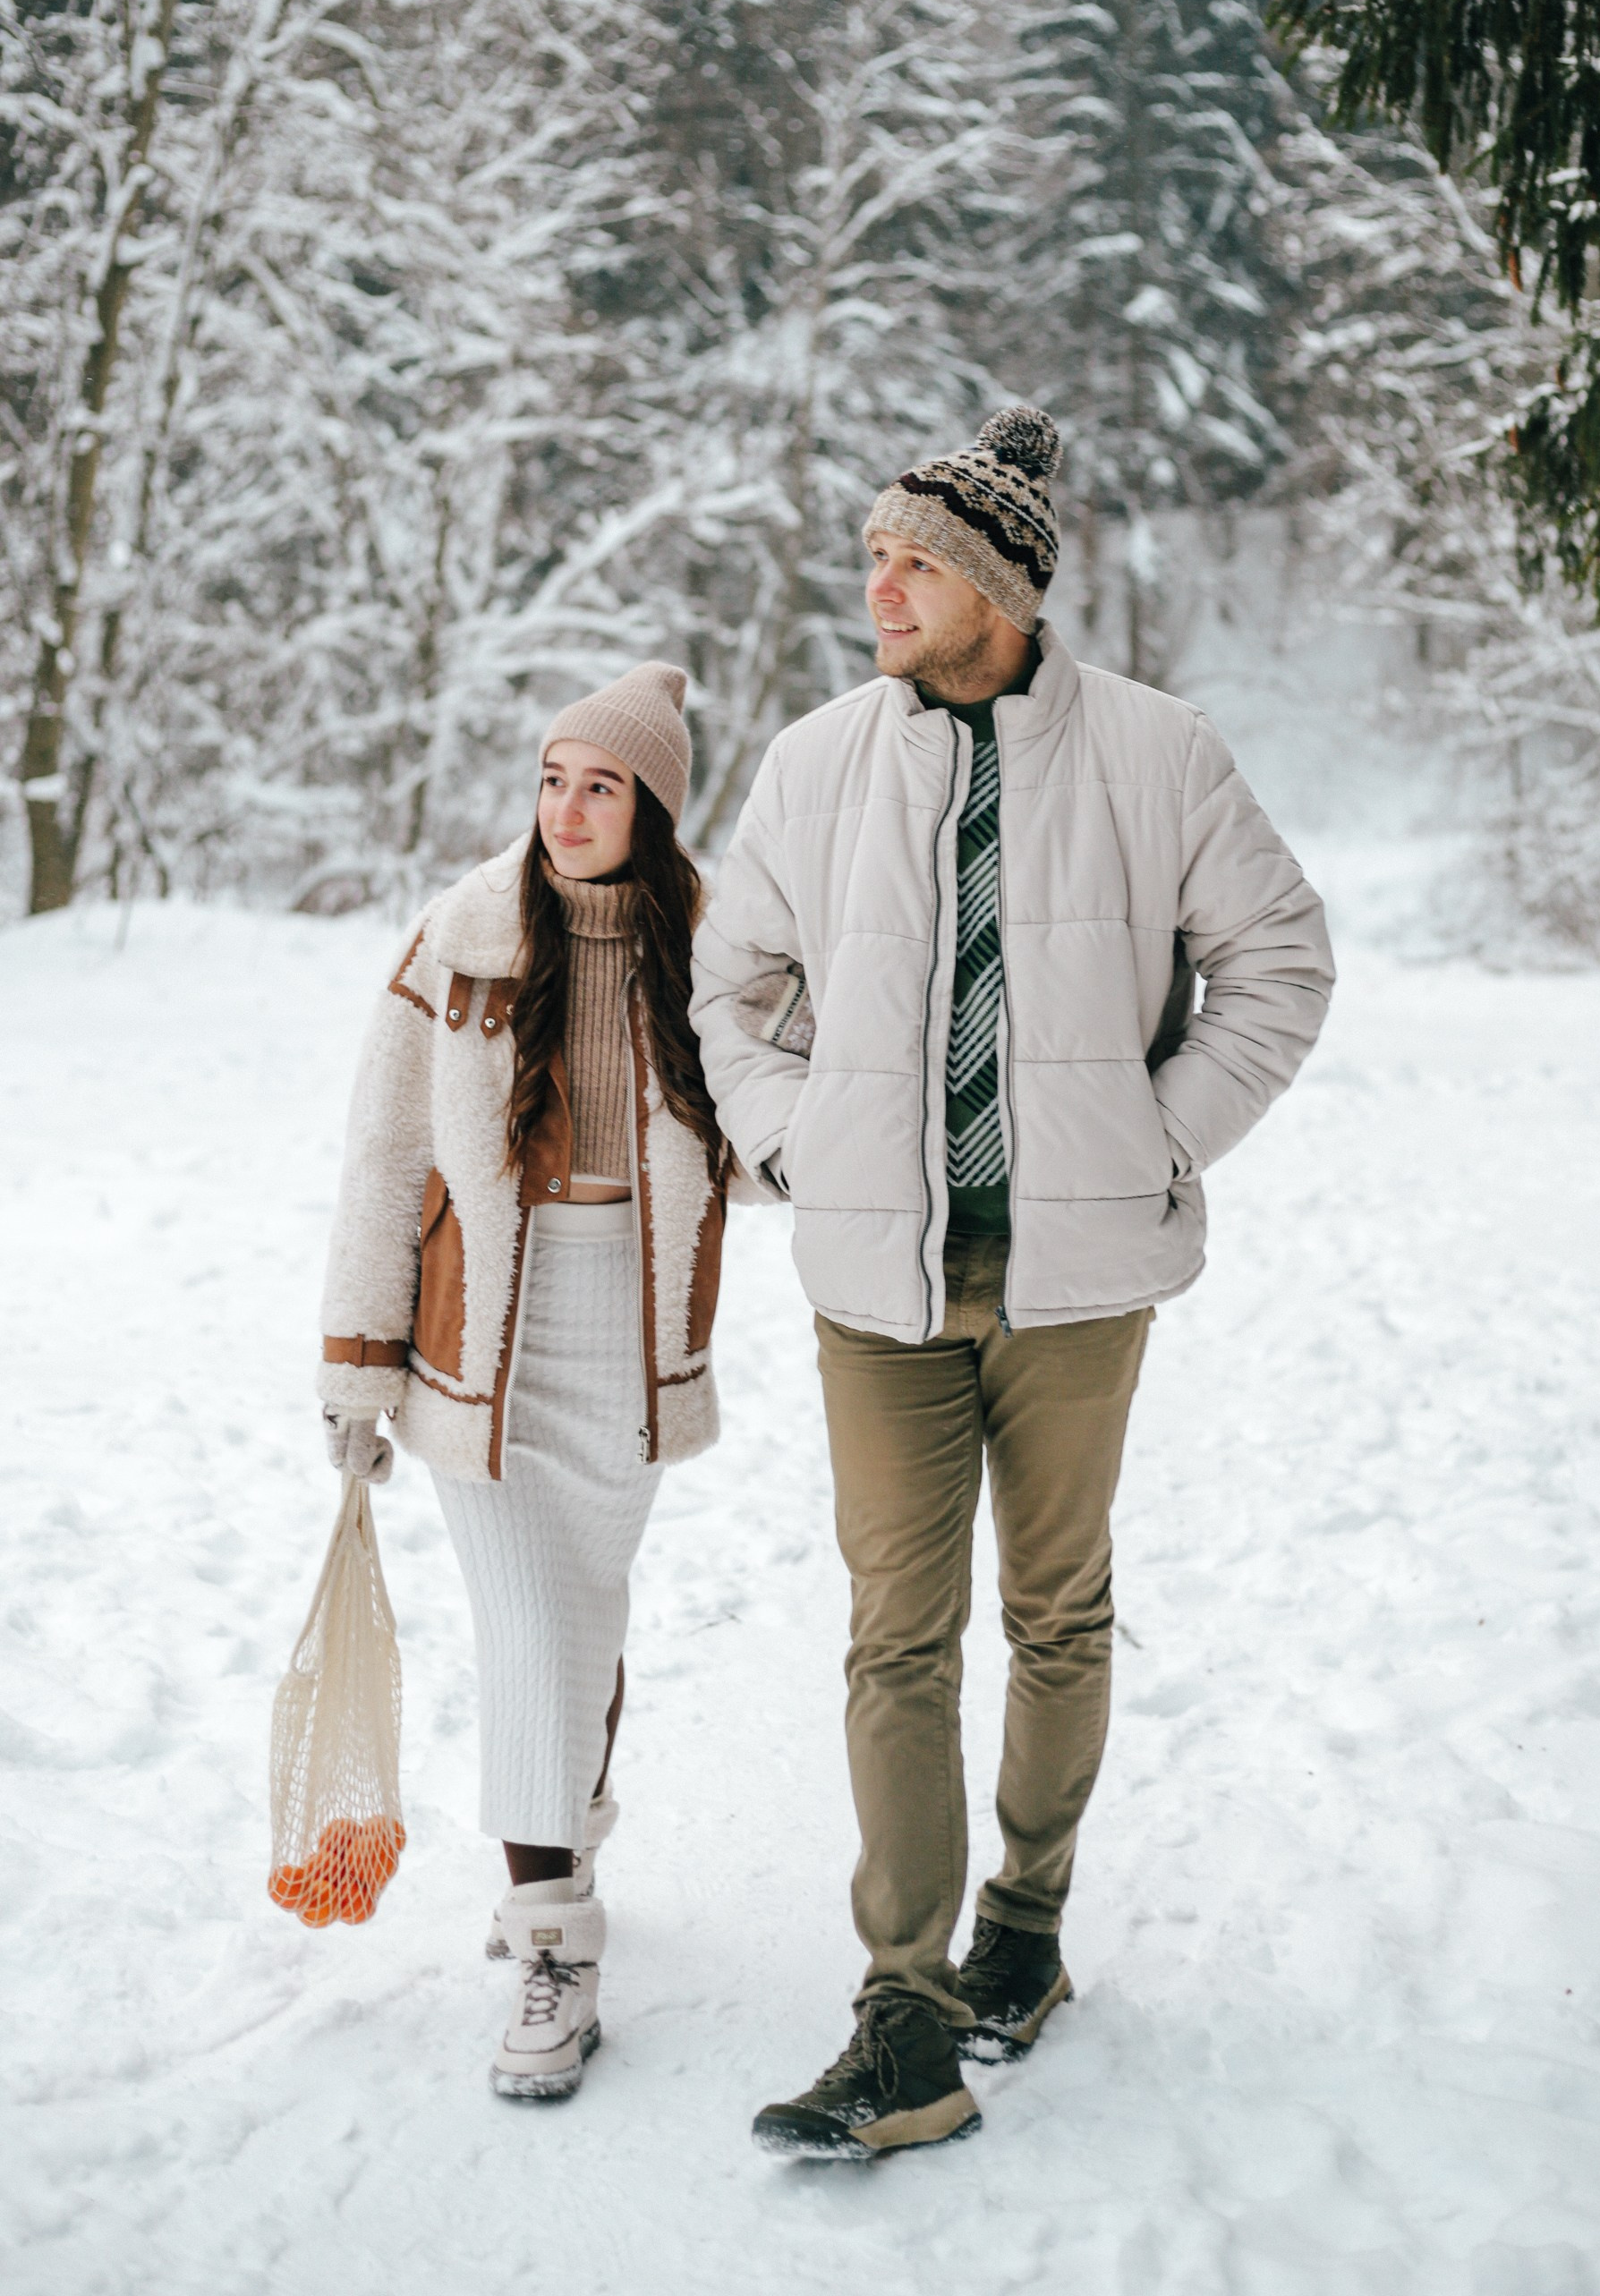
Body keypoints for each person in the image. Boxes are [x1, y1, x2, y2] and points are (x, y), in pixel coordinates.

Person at [691, 407, 1334, 2159]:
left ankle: (1025, 1934)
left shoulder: (1156, 753)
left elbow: (1277, 962)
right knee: (893, 1634)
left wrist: (1155, 1136)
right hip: (871, 1289)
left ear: (995, 585)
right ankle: (901, 2014)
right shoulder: (816, 762)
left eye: (910, 559)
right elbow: (728, 991)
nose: (876, 583)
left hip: (1076, 1284)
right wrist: (796, 1145)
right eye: (876, 556)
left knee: (1056, 1614)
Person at [316, 662, 730, 2101]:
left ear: (653, 807)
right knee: (526, 1622)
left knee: (584, 1613)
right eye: (554, 779)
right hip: (478, 1343)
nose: (567, 809)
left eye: (601, 784)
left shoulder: (719, 951)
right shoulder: (462, 937)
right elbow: (383, 1158)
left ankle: (559, 1820)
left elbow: (788, 1123)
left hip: (630, 1336)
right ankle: (556, 1942)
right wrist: (358, 1364)